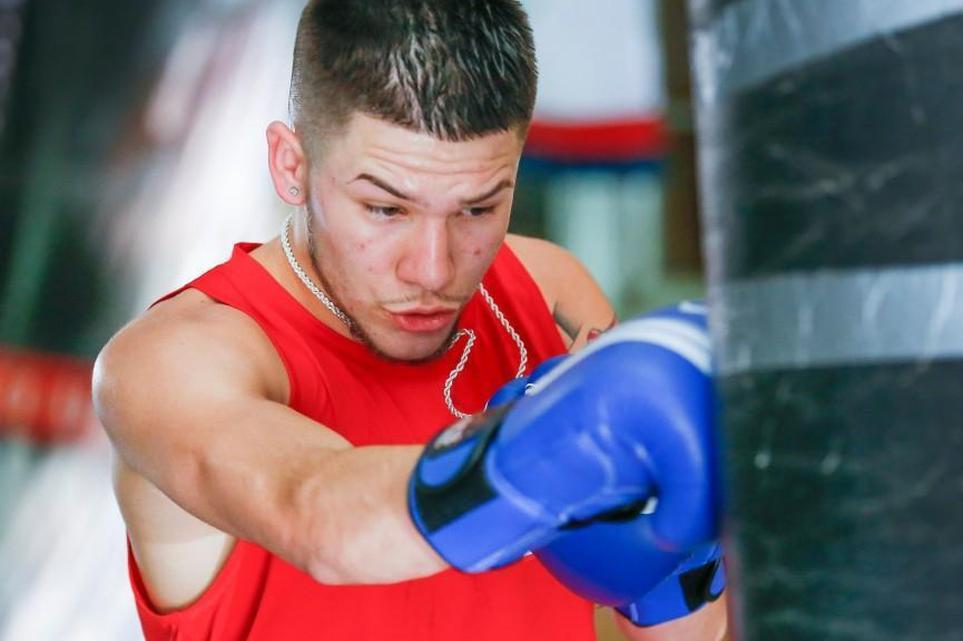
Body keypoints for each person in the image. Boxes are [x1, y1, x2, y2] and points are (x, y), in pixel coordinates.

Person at [93, 1, 727, 640]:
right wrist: (547, 449)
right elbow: (321, 518)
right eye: (385, 209)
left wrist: (672, 549)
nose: (433, 268)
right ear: (293, 165)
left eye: (477, 209)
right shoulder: (173, 362)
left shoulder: (549, 292)